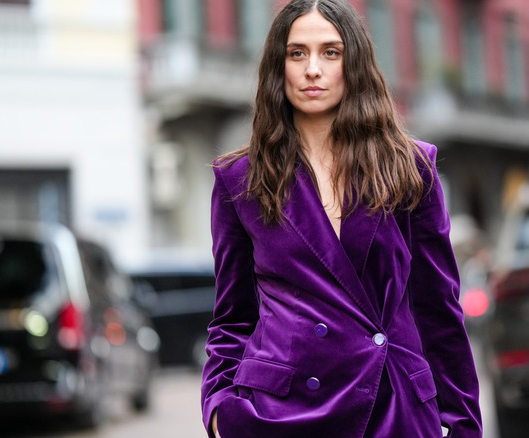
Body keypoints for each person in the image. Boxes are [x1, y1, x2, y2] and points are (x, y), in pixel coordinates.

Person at [201, 1, 482, 437]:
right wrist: (219, 410)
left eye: (331, 52)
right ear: (279, 67)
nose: (313, 68)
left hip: (392, 407)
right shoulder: (240, 180)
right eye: (297, 53)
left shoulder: (409, 167)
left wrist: (463, 424)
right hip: (280, 414)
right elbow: (233, 318)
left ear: (354, 63)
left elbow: (439, 309)